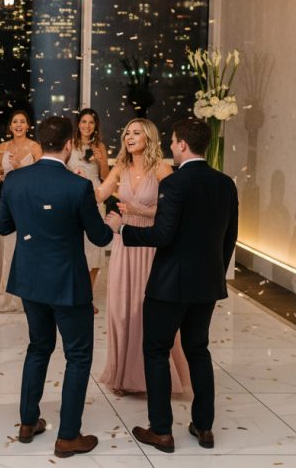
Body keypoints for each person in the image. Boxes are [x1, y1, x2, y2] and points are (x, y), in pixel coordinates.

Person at [108, 118, 238, 453]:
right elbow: (229, 238)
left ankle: (161, 430)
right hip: (207, 285)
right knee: (199, 350)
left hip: (168, 285)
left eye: (174, 142)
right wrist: (215, 275)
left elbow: (162, 235)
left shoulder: (175, 183)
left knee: (155, 350)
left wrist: (123, 230)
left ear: (181, 144)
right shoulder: (226, 184)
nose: (171, 148)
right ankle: (204, 427)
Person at [0, 116, 115, 458]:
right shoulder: (77, 186)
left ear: (40, 142)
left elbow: (4, 227)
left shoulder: (16, 180)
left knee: (38, 347)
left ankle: (27, 422)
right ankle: (67, 435)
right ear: (67, 146)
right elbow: (99, 236)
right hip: (68, 283)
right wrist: (112, 222)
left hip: (31, 280)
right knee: (78, 356)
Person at [95, 119, 190, 397]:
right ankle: (123, 375)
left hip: (151, 243)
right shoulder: (121, 167)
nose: (129, 136)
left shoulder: (161, 169)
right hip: (125, 245)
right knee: (121, 308)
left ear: (148, 137)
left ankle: (153, 376)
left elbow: (173, 209)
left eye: (136, 132)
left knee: (147, 308)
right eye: (127, 132)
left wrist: (139, 210)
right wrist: (76, 186)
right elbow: (101, 193)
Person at [0, 110, 42, 313]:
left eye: (22, 121)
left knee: (25, 246)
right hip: (7, 201)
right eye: (15, 122)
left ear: (28, 126)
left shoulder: (35, 147)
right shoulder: (2, 147)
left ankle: (27, 293)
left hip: (28, 203)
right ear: (10, 127)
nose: (18, 125)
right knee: (8, 245)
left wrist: (21, 168)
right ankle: (6, 293)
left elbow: (40, 176)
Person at [67, 109, 110, 314]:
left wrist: (101, 161)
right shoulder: (70, 144)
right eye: (84, 122)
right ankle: (72, 294)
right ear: (78, 124)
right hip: (72, 198)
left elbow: (106, 177)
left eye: (91, 122)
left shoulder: (100, 146)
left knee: (94, 251)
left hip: (95, 197)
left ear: (96, 125)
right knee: (75, 249)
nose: (87, 126)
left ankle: (87, 298)